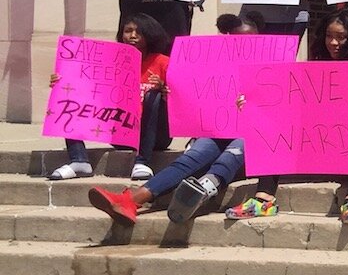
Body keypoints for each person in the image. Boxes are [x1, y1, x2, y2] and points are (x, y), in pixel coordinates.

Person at [86, 14, 266, 226]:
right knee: (193, 157)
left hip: (251, 135)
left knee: (231, 154)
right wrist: (173, 93)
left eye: (249, 40)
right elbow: (194, 96)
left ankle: (200, 192)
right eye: (236, 39)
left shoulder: (273, 66)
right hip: (217, 130)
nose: (243, 45)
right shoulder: (212, 65)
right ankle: (132, 200)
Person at [223, 8, 348, 225]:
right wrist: (252, 104)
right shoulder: (319, 60)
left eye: (341, 37)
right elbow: (289, 100)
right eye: (329, 36)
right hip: (322, 140)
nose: (333, 43)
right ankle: (263, 198)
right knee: (276, 117)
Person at [48, 14, 172, 182]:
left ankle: (142, 161)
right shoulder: (112, 62)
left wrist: (164, 89)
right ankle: (79, 160)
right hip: (121, 134)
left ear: (150, 34)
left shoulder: (162, 62)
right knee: (71, 94)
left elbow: (180, 102)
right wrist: (63, 83)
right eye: (128, 31)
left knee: (154, 96)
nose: (132, 36)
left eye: (139, 32)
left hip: (156, 136)